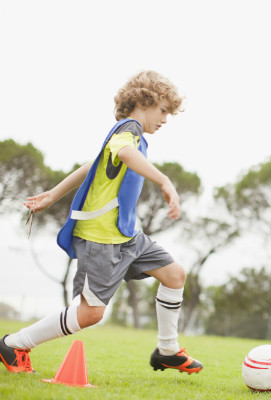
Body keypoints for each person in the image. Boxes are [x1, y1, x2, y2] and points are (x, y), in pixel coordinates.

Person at [0, 70, 203, 375]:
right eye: (162, 110)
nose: (165, 119)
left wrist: (52, 195)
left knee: (174, 275)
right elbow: (125, 152)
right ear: (143, 101)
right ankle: (14, 343)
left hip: (128, 236)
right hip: (101, 239)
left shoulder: (128, 134)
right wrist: (164, 181)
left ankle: (168, 351)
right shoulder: (129, 130)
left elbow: (91, 166)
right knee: (92, 313)